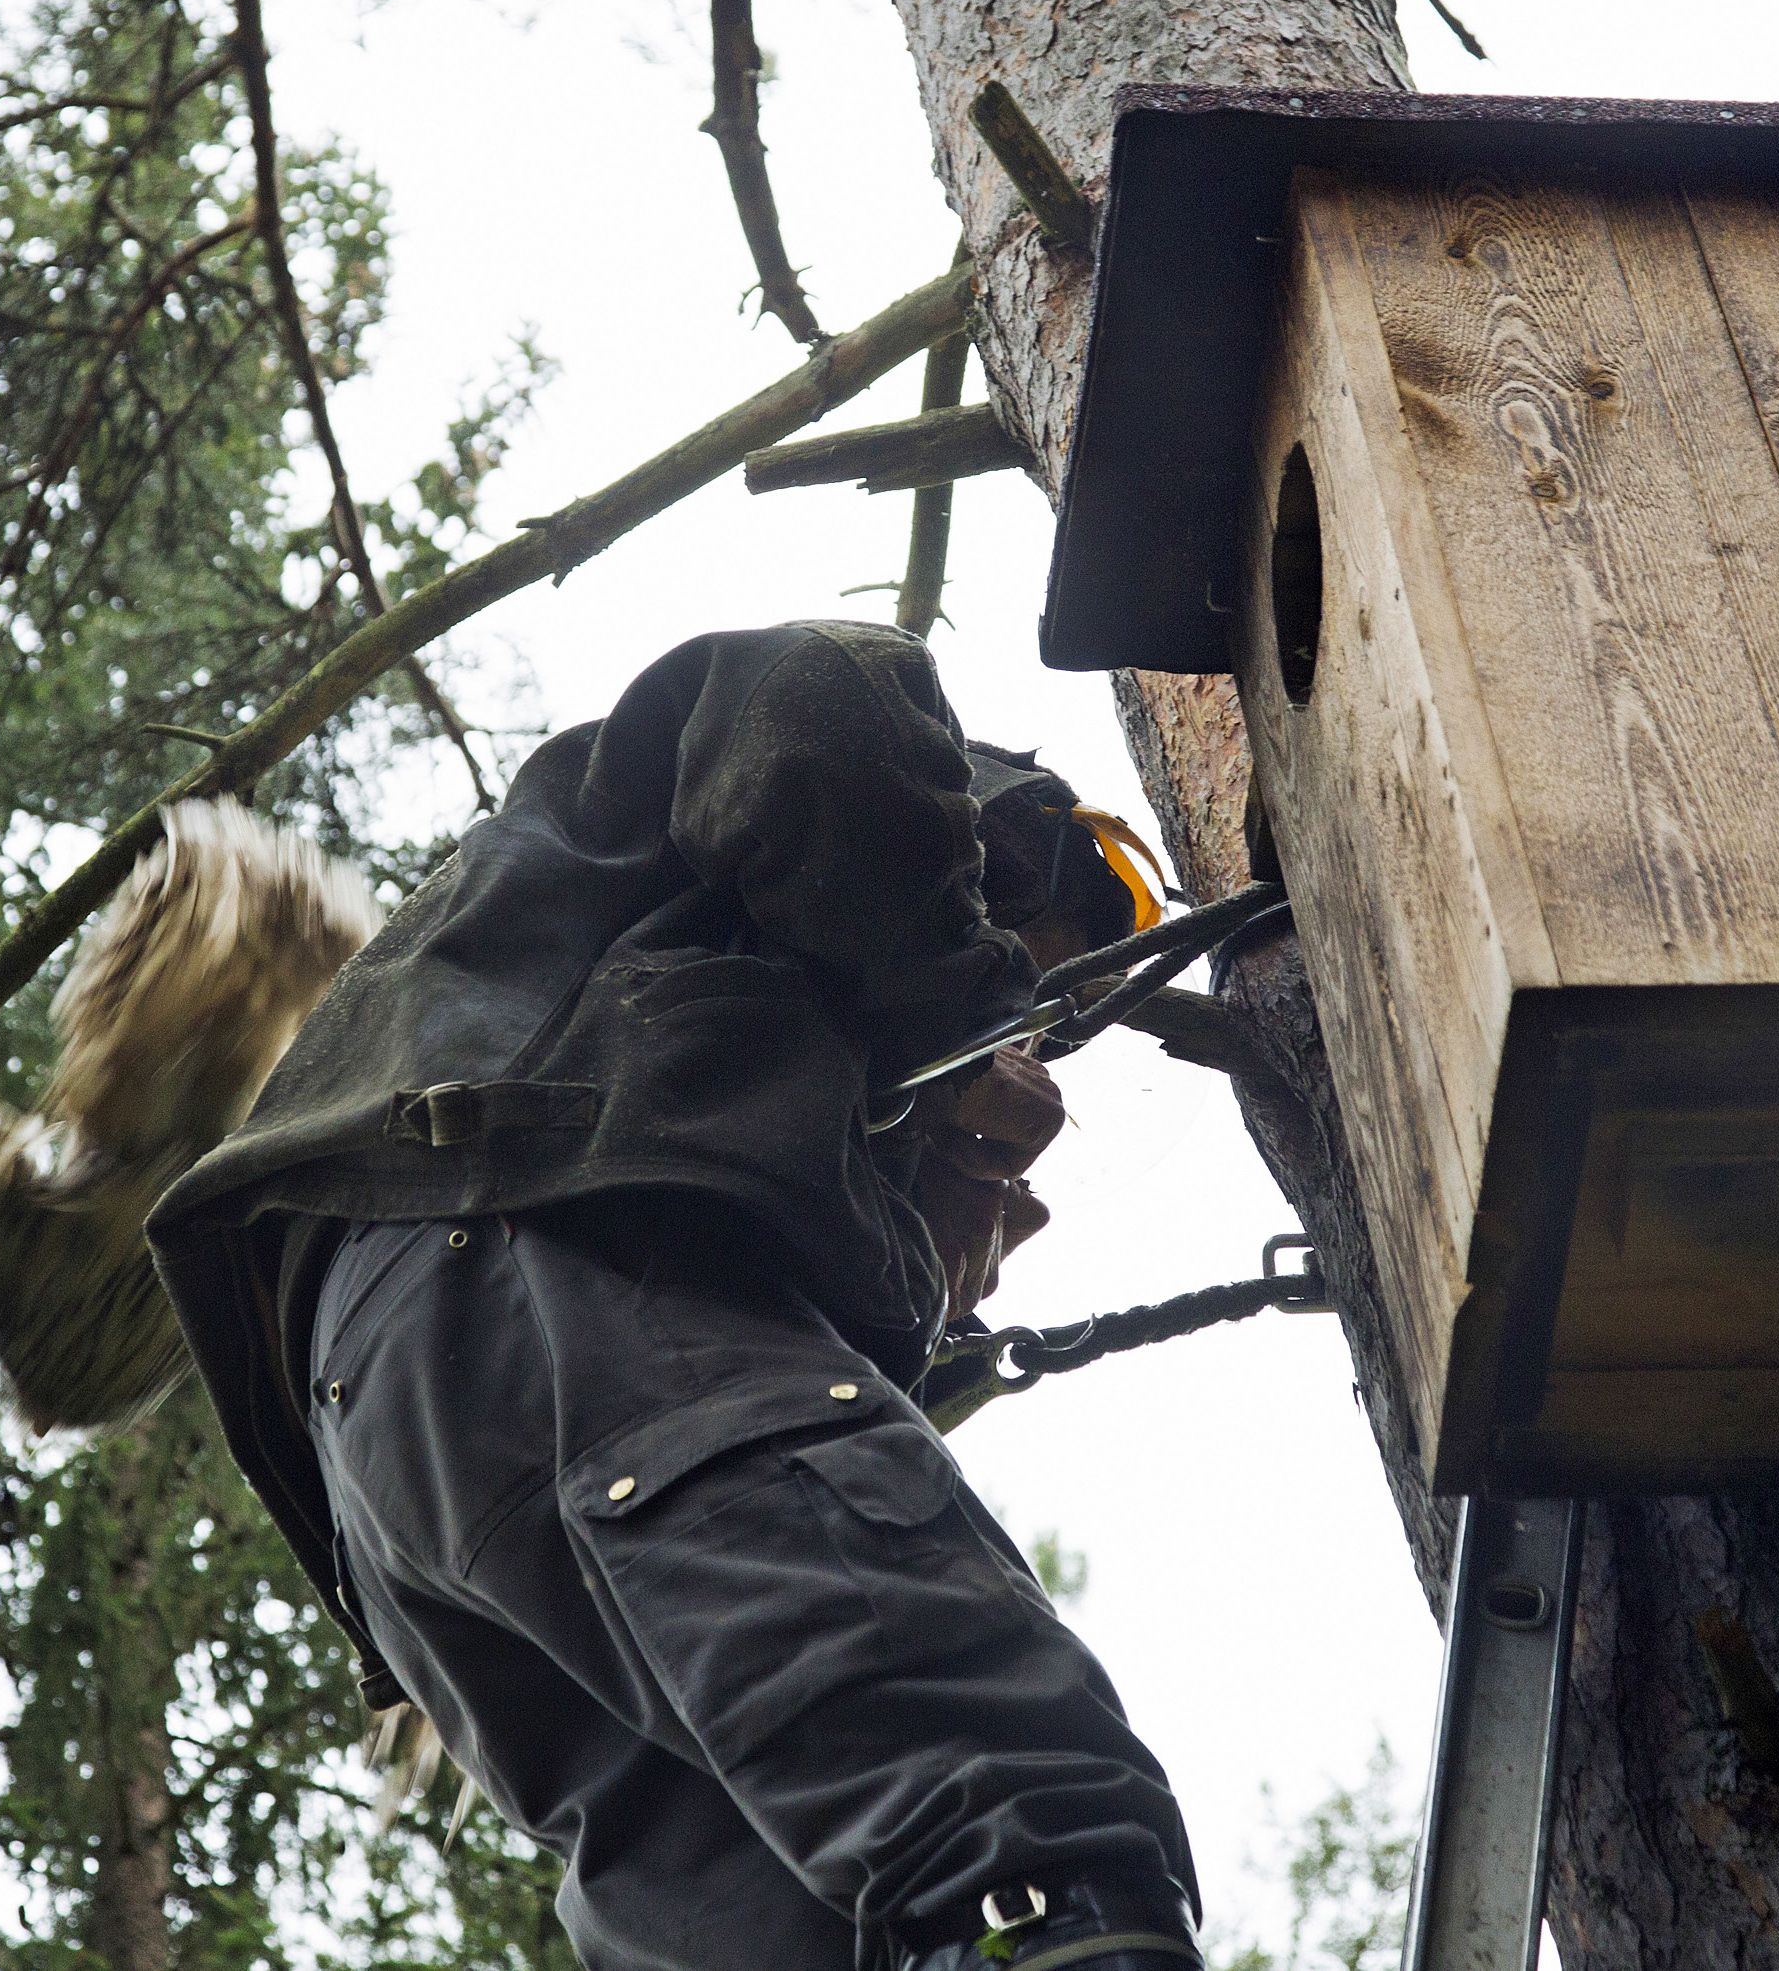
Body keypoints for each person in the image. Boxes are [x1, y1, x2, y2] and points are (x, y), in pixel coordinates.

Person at [148, 621, 1203, 1971]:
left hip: (410, 1455)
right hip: (536, 1265)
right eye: (1043, 967)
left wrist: (922, 1264)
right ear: (988, 836)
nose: (1043, 1025)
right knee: (973, 1764)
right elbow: (808, 704)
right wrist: (958, 1012)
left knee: (775, 1911)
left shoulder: (727, 1061)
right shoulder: (826, 807)